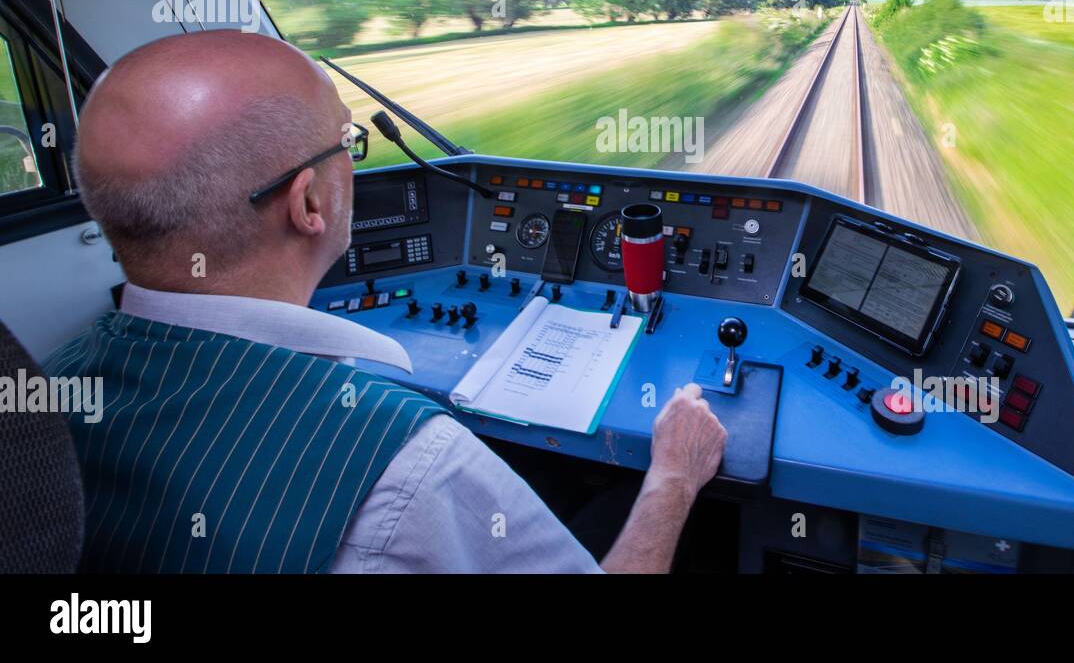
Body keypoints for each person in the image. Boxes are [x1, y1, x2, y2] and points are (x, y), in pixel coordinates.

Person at [46, 30, 727, 573]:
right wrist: (673, 476)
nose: (355, 160)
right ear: (309, 203)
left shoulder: (41, 397)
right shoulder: (409, 463)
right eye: (347, 144)